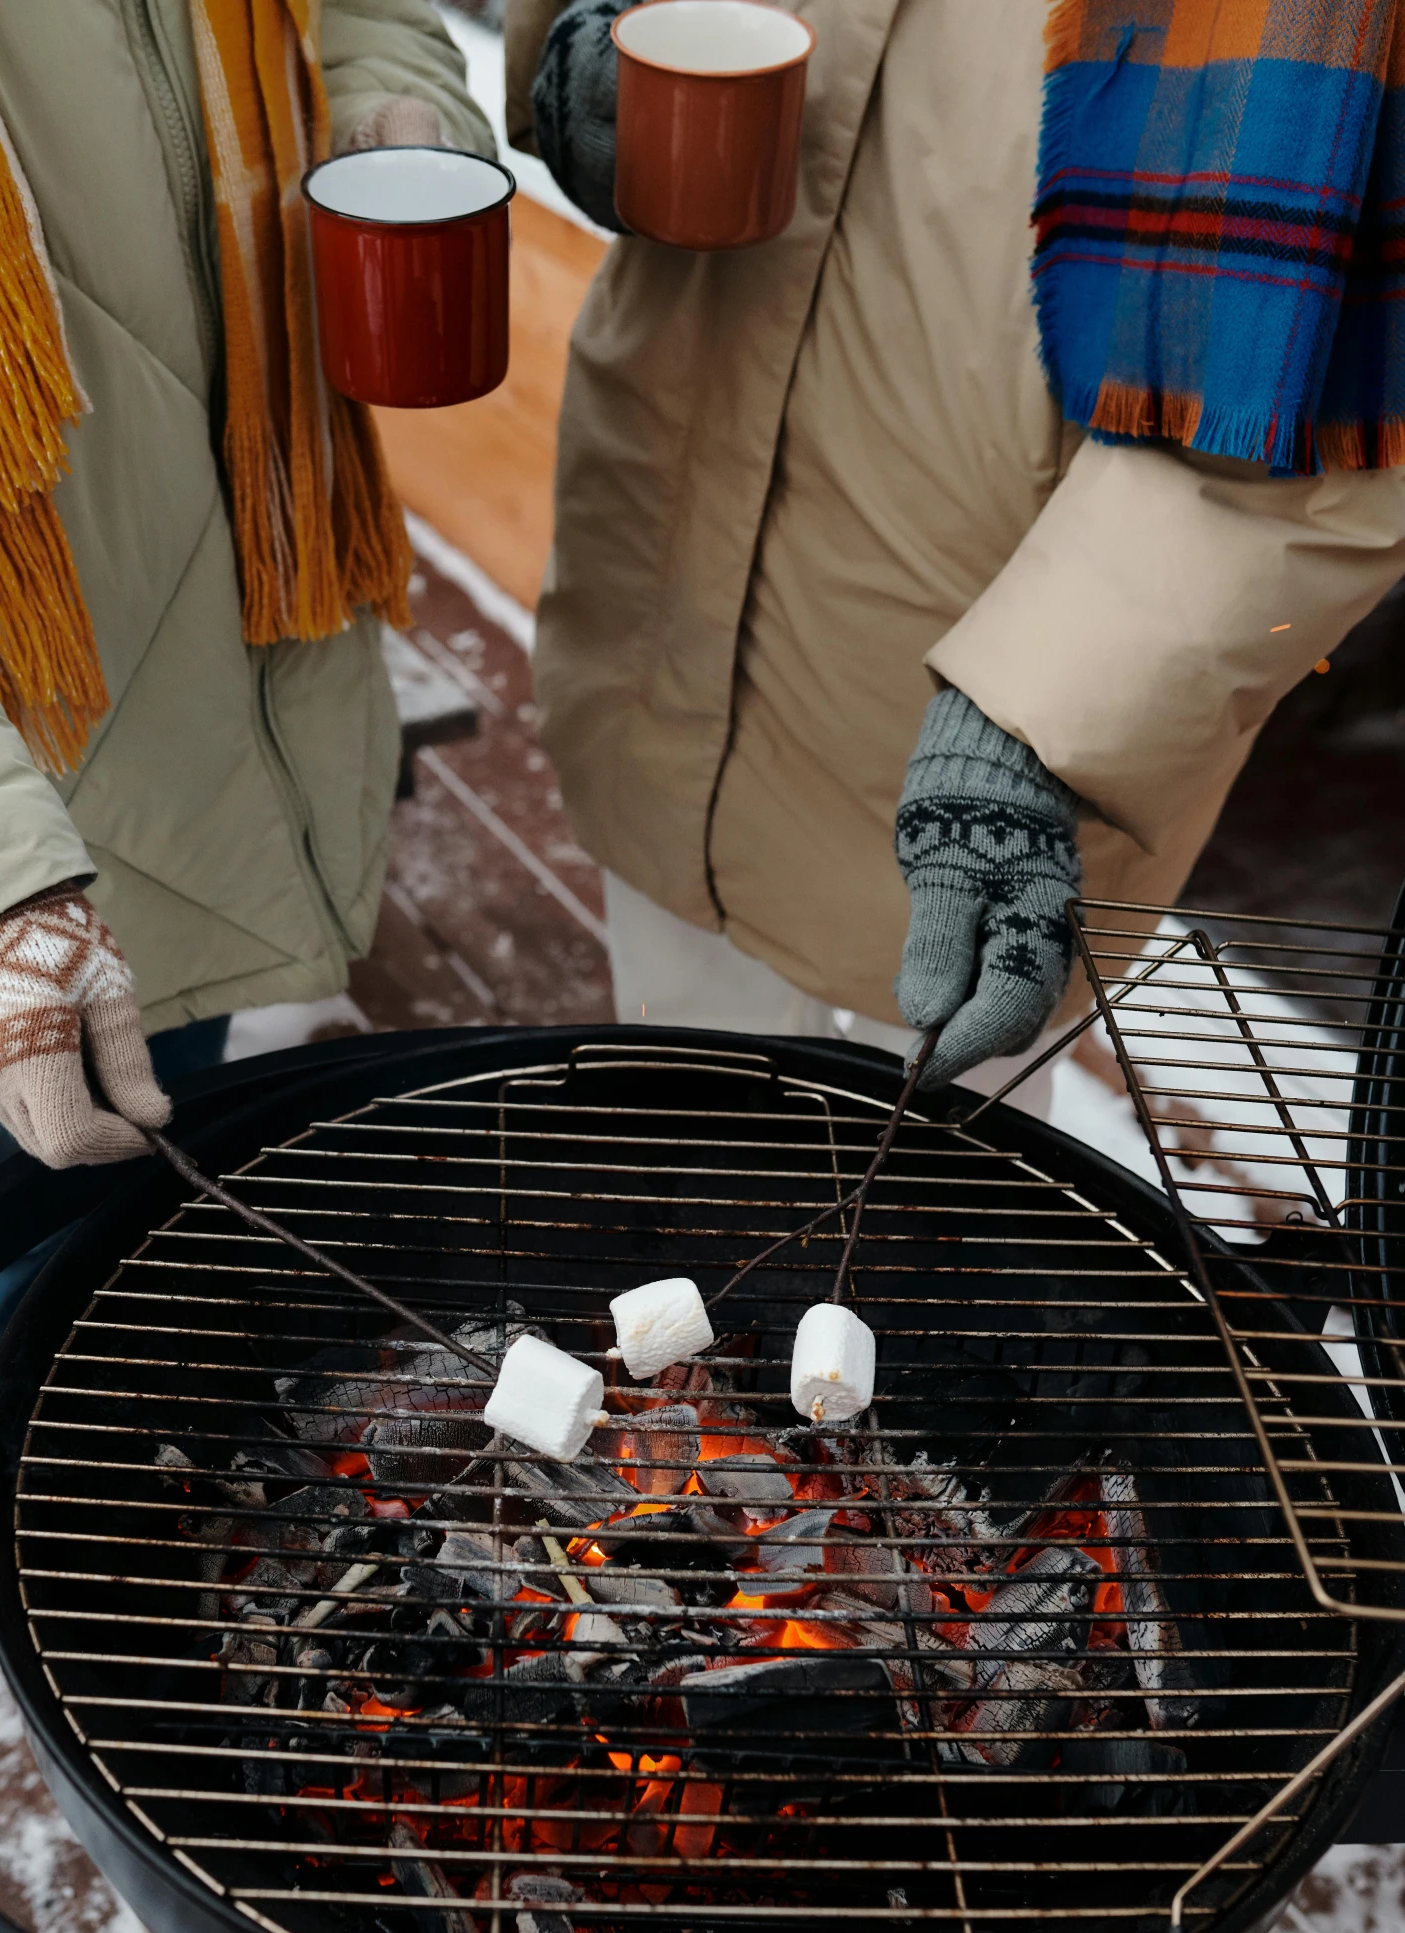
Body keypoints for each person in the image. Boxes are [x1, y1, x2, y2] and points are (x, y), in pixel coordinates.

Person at [507, 0, 1405, 1110]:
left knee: (927, 1229)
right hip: (658, 582)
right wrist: (584, 64)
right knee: (676, 1129)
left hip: (977, 700)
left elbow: (1332, 410)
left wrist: (1040, 717)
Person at [0, 0, 493, 1473]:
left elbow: (367, 15)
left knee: (151, 1219)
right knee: (1, 1289)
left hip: (215, 716)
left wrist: (390, 110)